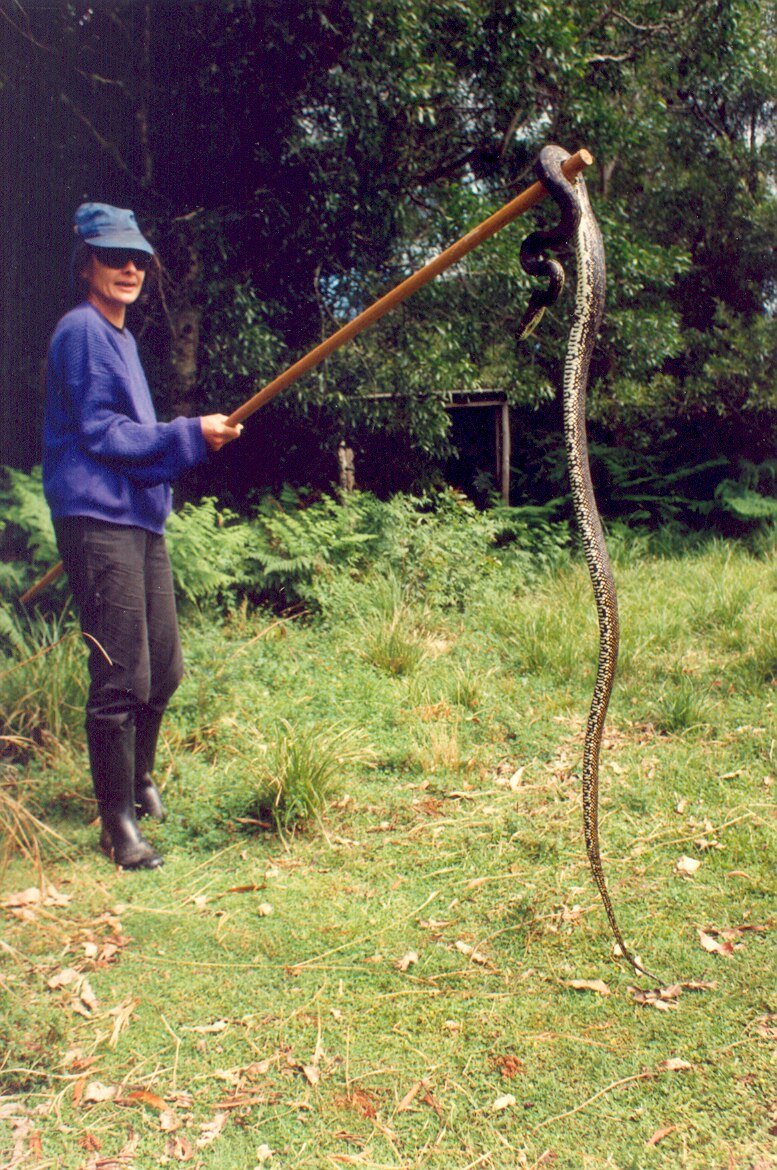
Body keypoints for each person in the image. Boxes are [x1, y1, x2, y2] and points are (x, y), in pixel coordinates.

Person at [43, 202, 242, 870]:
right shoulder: (81, 331)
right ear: (85, 263)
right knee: (122, 673)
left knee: (164, 667)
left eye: (137, 258)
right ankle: (116, 824)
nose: (129, 267)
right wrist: (191, 433)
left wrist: (190, 438)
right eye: (112, 256)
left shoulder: (121, 337)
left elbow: (129, 440)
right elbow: (103, 435)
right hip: (98, 520)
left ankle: (139, 779)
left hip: (138, 517)